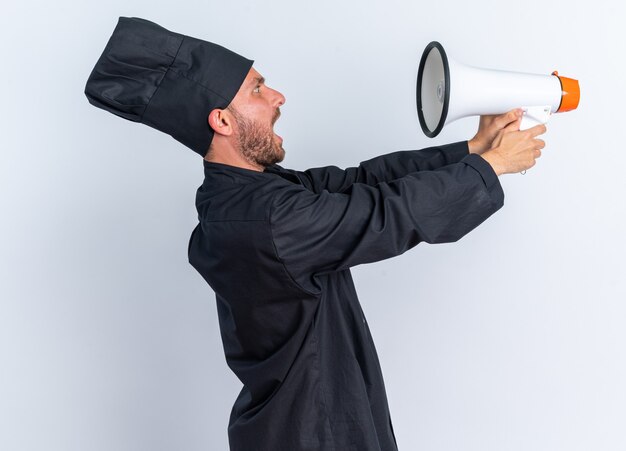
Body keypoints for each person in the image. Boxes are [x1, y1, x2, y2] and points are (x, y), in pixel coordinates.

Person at [85, 17, 546, 451]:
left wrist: (473, 149)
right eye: (258, 88)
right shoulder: (267, 218)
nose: (278, 96)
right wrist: (492, 167)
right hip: (313, 432)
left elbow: (364, 181)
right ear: (222, 121)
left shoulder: (252, 195)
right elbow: (384, 213)